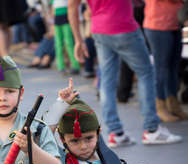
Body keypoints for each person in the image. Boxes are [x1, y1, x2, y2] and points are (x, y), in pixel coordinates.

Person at [67, 0, 182, 147]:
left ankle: (115, 132)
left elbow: (72, 6)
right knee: (146, 73)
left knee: (107, 80)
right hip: (123, 26)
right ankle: (152, 129)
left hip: (100, 29)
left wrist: (78, 40)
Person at [143, 0, 188, 120]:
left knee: (173, 68)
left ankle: (173, 105)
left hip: (175, 23)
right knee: (161, 69)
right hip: (158, 25)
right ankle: (160, 107)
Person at [51, 0, 81, 75]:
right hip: (57, 19)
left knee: (69, 43)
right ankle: (61, 66)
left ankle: (75, 65)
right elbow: (52, 9)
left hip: (66, 18)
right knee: (58, 44)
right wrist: (52, 24)